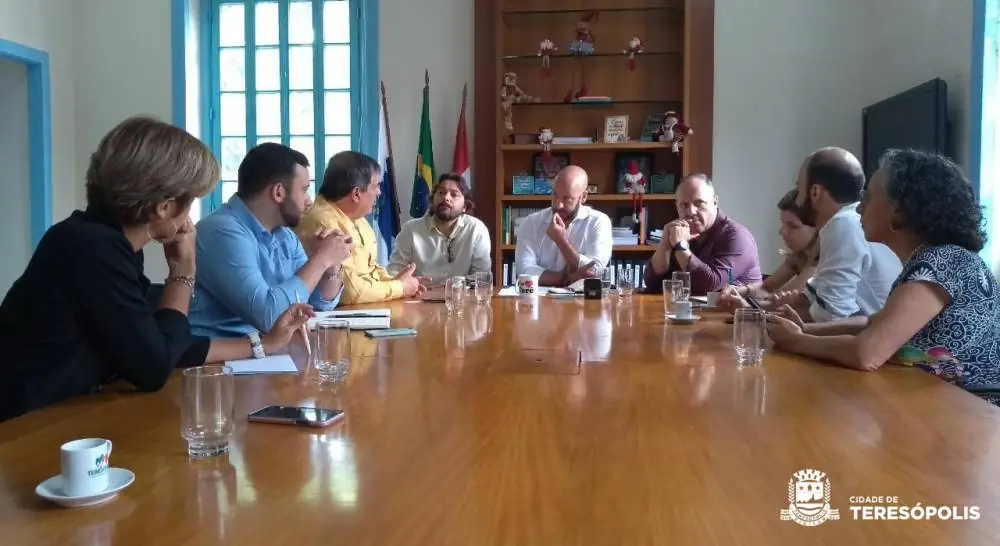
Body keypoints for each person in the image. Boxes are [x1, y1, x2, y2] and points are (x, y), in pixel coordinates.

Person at [0, 116, 311, 422]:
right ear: (164, 207)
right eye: (190, 202)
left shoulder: (102, 239)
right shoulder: (95, 248)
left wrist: (264, 344)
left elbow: (159, 342)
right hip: (22, 428)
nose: (190, 219)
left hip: (56, 417)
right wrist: (182, 273)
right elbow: (154, 366)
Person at [766, 149, 1000, 398]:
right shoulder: (939, 259)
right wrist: (804, 329)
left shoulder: (942, 261)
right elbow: (874, 322)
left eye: (868, 197)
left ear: (899, 210)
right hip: (937, 402)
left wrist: (798, 341)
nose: (859, 208)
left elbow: (867, 353)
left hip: (968, 410)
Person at [190, 143, 352, 338]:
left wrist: (332, 266)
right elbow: (270, 318)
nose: (309, 201)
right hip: (224, 354)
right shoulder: (222, 233)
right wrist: (321, 259)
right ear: (278, 192)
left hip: (268, 349)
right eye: (304, 190)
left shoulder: (285, 235)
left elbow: (317, 305)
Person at [782, 147, 901, 321]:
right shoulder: (845, 221)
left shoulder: (843, 224)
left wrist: (771, 320)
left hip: (872, 334)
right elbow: (812, 298)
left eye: (799, 188)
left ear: (815, 192)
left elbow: (832, 314)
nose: (797, 198)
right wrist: (763, 311)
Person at [296, 151, 426, 304]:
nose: (379, 192)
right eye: (376, 186)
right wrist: (400, 288)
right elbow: (350, 292)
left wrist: (396, 281)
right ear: (356, 194)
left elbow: (371, 271)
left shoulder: (356, 217)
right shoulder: (323, 222)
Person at [644, 173, 761, 295]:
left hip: (739, 307)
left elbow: (709, 286)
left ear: (715, 202)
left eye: (699, 203)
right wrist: (665, 243)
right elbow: (652, 284)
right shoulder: (680, 232)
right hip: (694, 307)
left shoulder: (737, 237)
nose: (691, 211)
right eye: (684, 205)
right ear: (677, 207)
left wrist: (680, 246)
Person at [513, 165, 612, 287]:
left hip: (583, 297)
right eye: (555, 195)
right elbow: (524, 271)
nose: (558, 204)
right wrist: (568, 279)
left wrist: (561, 241)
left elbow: (595, 271)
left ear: (583, 197)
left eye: (567, 198)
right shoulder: (531, 222)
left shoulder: (598, 222)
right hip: (540, 297)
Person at [387, 173, 491, 284]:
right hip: (420, 293)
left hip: (461, 294)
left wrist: (454, 286)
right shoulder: (410, 230)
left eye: (454, 194)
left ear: (465, 206)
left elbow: (482, 277)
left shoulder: (476, 229)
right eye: (441, 192)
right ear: (432, 200)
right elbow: (394, 273)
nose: (446, 198)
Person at [731, 189, 818, 300]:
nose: (782, 231)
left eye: (793, 226)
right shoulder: (799, 256)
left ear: (818, 226)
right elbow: (766, 288)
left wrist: (744, 303)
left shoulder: (820, 266)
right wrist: (743, 290)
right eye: (783, 223)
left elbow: (779, 302)